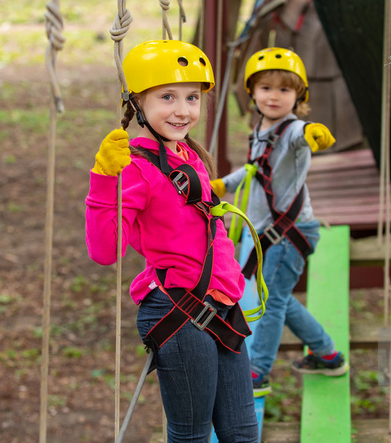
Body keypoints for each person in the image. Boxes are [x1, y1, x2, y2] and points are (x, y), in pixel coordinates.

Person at [85, 40, 259, 443]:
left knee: (241, 431)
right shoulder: (135, 167)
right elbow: (105, 251)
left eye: (192, 98)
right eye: (167, 97)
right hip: (177, 307)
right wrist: (104, 181)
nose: (183, 110)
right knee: (192, 435)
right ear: (137, 102)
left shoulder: (187, 154)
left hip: (220, 303)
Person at [210, 47, 347, 397]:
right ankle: (327, 354)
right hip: (263, 232)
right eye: (266, 88)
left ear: (298, 96)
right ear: (252, 92)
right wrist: (225, 184)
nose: (274, 96)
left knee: (271, 302)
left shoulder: (293, 131)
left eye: (284, 90)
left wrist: (316, 133)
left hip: (287, 235)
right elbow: (255, 169)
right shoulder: (262, 128)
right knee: (280, 299)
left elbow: (305, 135)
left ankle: (256, 373)